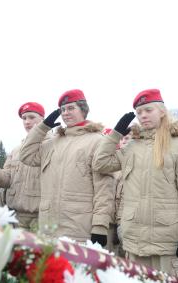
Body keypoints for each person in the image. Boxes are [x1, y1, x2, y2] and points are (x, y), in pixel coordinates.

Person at [92, 89, 178, 277]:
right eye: (139, 113)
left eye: (148, 110)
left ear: (162, 111)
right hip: (135, 238)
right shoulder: (132, 146)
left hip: (166, 239)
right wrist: (115, 134)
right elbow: (100, 163)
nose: (143, 116)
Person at [19, 89, 113, 246]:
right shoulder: (53, 142)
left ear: (83, 109)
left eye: (71, 108)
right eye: (62, 110)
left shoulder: (97, 141)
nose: (65, 113)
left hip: (79, 229)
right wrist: (42, 127)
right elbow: (26, 155)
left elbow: (104, 189)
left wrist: (100, 226)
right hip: (48, 227)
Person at [0, 102, 45, 230]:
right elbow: (8, 179)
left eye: (31, 117)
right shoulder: (16, 150)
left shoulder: (52, 145)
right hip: (15, 216)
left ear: (43, 119)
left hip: (41, 216)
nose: (27, 122)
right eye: (24, 118)